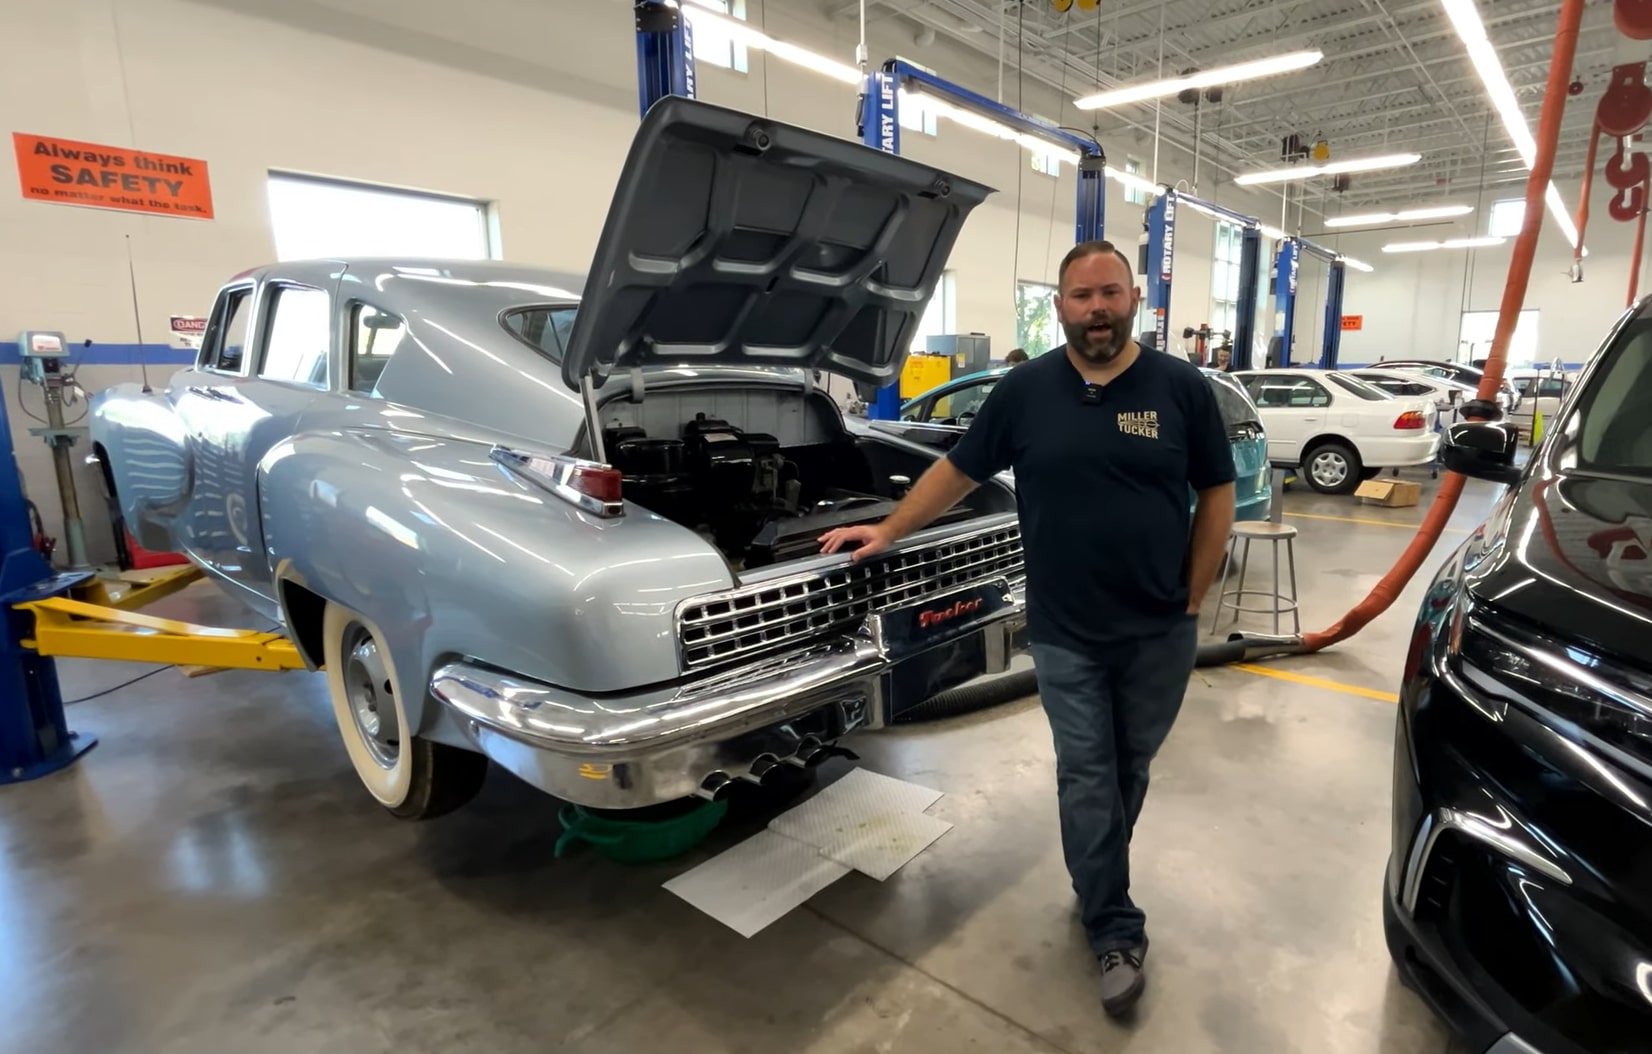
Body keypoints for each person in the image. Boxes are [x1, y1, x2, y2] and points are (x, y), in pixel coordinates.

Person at [819, 240, 1236, 1017]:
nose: (1098, 309)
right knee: (1086, 771)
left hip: (1158, 630)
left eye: (1110, 293)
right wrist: (889, 529)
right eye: (1082, 297)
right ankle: (1113, 925)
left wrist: (1195, 593)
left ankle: (1094, 876)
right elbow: (959, 471)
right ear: (1060, 307)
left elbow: (1215, 490)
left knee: (1128, 769)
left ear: (1135, 297)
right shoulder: (1026, 391)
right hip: (1065, 629)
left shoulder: (1180, 387)